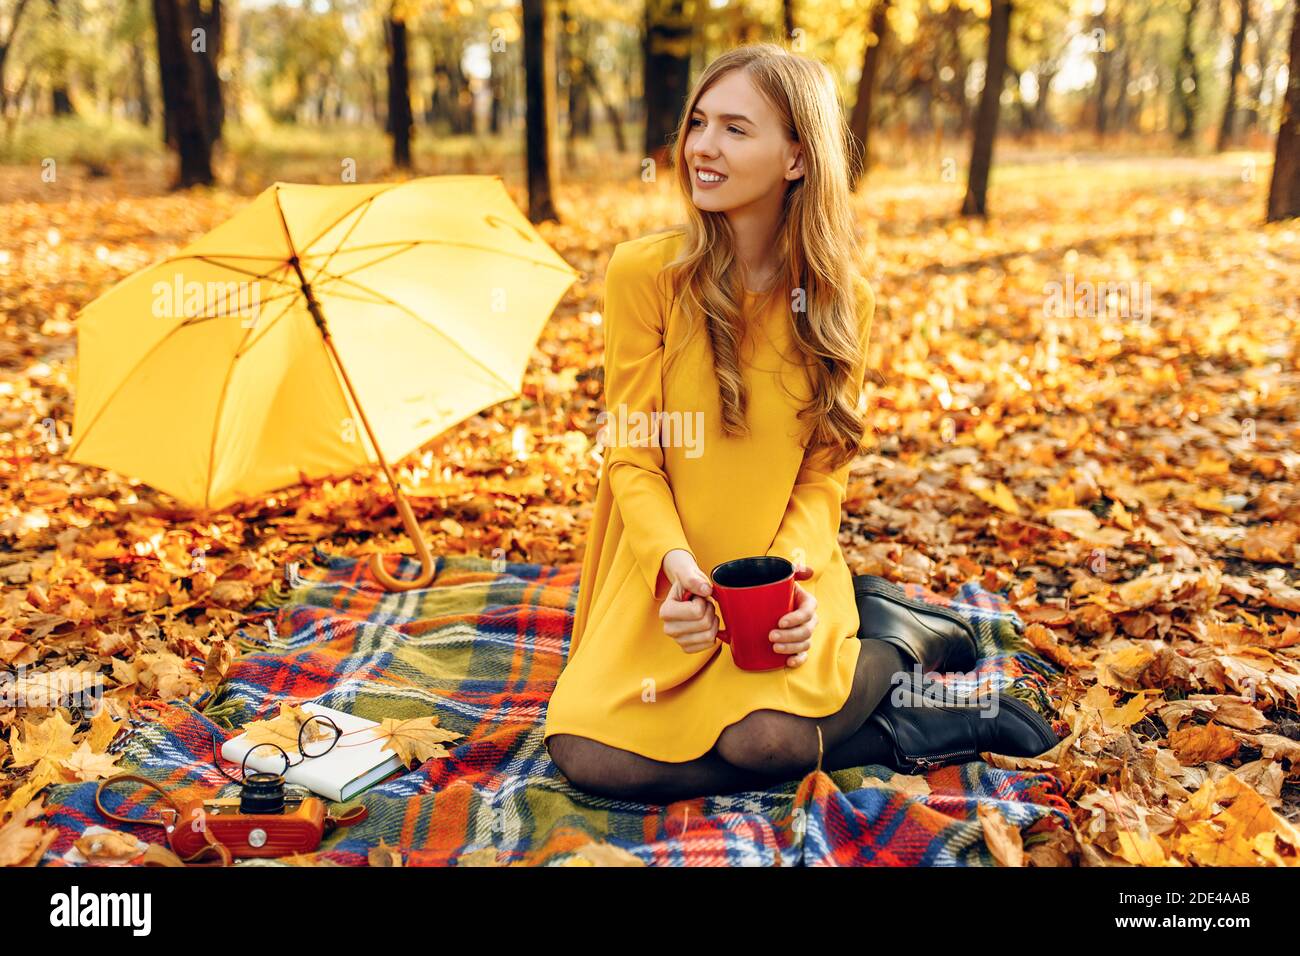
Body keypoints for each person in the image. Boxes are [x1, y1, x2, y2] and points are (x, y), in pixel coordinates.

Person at [543, 43, 1050, 805]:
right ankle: (904, 722)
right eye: (699, 124)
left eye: (736, 130)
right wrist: (673, 567)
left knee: (768, 740)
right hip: (667, 579)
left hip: (781, 578)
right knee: (587, 756)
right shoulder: (643, 276)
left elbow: (823, 476)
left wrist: (790, 580)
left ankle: (893, 643)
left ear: (797, 158)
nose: (701, 149)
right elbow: (632, 460)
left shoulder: (841, 300)